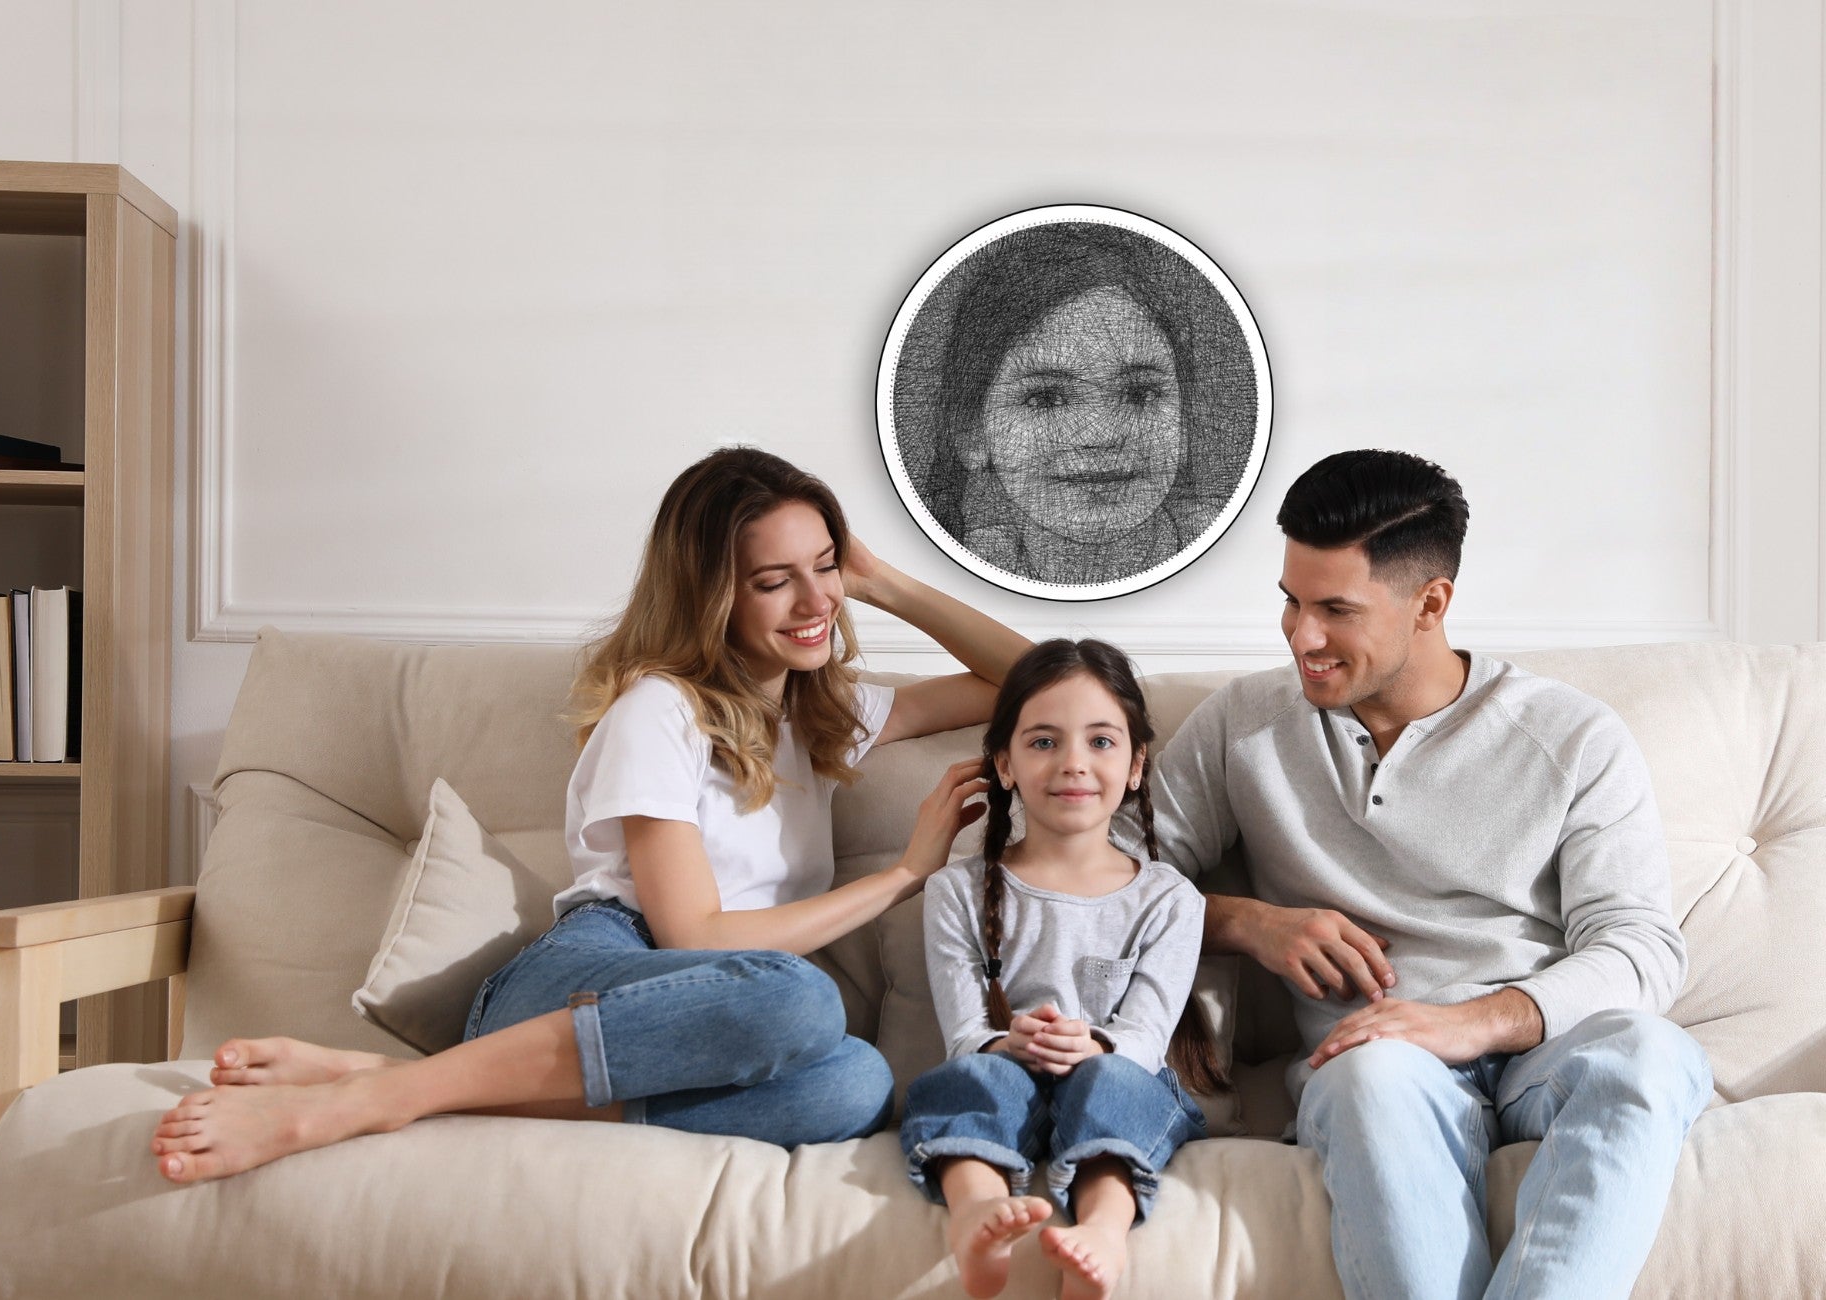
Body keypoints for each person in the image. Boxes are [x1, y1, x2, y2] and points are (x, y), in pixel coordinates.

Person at [148, 447, 1031, 1182]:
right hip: (585, 979)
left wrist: (883, 585)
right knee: (802, 1001)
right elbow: (693, 934)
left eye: (824, 567)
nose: (814, 604)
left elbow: (1035, 678)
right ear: (714, 595)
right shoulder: (661, 710)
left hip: (681, 1023)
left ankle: (409, 1081)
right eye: (775, 581)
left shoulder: (821, 712)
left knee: (857, 1085)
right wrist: (904, 876)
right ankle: (371, 1104)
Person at [1149, 450, 1712, 1299]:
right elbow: (1109, 877)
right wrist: (1245, 922)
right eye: (1291, 601)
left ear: (1431, 604)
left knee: (1652, 1058)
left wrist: (1476, 1023)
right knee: (1371, 1076)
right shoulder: (1245, 725)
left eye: (1336, 609)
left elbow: (1642, 950)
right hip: (1375, 1060)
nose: (1302, 635)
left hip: (1539, 1049)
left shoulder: (1572, 737)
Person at [897, 639, 1224, 1300]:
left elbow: (1145, 1036)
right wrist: (1006, 1042)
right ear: (1005, 765)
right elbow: (964, 1033)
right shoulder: (954, 891)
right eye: (1043, 742)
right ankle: (977, 1213)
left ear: (1136, 766)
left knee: (1114, 1078)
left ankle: (1102, 1231)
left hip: (1116, 1078)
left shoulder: (1169, 900)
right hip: (1005, 1077)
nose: (1073, 763)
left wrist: (1091, 1044)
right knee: (966, 1077)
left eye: (1100, 743)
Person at [912, 222, 1245, 586]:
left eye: (1140, 394)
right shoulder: (962, 568)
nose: (1099, 436)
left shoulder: (1235, 563)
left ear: (1186, 422)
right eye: (1046, 399)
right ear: (971, 434)